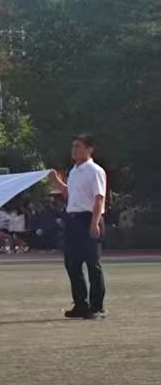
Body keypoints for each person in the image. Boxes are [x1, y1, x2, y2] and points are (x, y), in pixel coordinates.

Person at [53, 135, 108, 319]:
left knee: (93, 264)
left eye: (78, 146)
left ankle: (97, 306)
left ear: (89, 149)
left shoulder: (95, 171)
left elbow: (99, 198)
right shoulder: (74, 171)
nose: (74, 150)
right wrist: (56, 181)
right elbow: (70, 193)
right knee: (72, 264)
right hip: (73, 219)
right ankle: (80, 304)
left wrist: (94, 223)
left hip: (88, 218)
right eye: (73, 146)